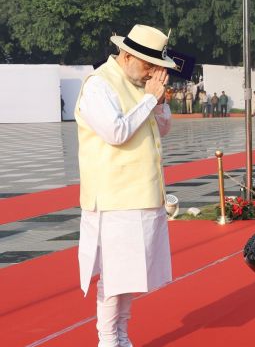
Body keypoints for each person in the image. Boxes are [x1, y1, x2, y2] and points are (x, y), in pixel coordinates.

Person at [75, 24, 175, 347]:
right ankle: (107, 338)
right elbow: (115, 132)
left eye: (156, 67)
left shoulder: (140, 85)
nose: (152, 73)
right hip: (114, 198)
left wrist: (158, 102)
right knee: (114, 278)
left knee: (130, 276)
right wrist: (148, 100)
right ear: (128, 55)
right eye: (148, 65)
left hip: (142, 195)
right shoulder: (99, 85)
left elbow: (164, 128)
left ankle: (121, 334)